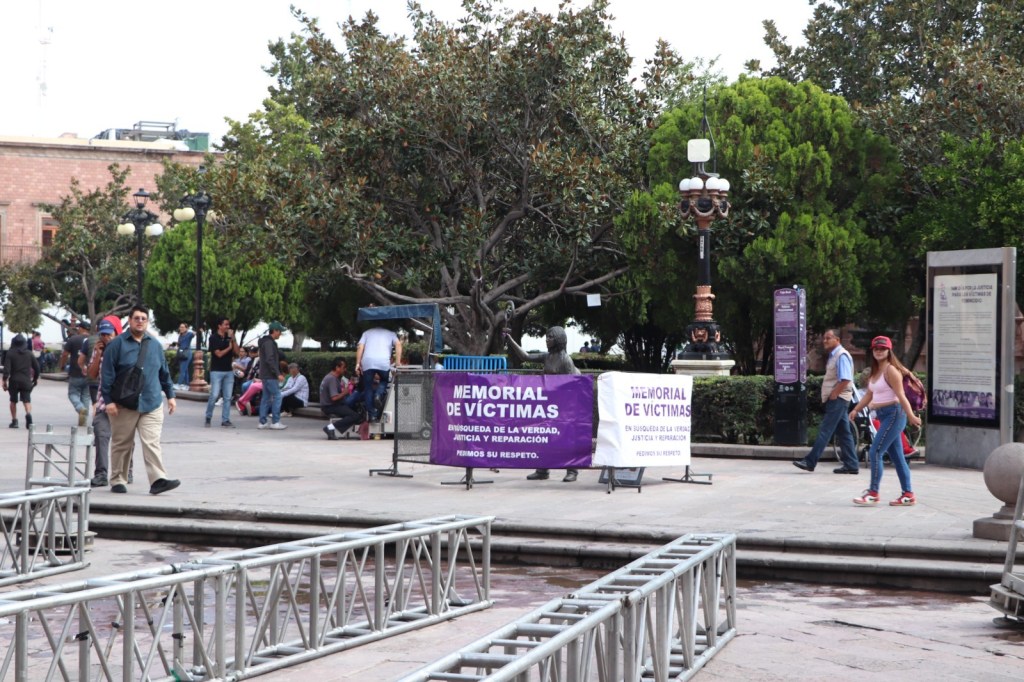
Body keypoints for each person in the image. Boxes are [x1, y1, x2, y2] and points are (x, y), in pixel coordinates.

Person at [100, 305, 180, 495]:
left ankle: (158, 480)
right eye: (136, 318)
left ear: (148, 321)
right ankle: (118, 479)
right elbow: (107, 374)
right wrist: (108, 400)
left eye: (144, 318)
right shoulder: (117, 344)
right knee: (122, 443)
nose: (140, 321)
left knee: (152, 442)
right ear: (129, 320)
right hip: (124, 403)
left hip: (151, 402)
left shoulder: (154, 344)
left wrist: (171, 396)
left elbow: (164, 372)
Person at [849, 336, 922, 507]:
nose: (879, 351)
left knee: (875, 451)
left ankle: (873, 493)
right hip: (884, 416)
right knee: (897, 457)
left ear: (889, 351)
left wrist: (911, 416)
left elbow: (900, 397)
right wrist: (856, 409)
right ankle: (908, 494)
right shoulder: (875, 371)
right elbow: (869, 394)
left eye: (882, 349)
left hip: (894, 415)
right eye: (876, 349)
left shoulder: (891, 371)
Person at [505, 325, 581, 483]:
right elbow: (525, 356)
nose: (547, 339)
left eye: (551, 337)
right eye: (547, 336)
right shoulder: (547, 357)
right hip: (550, 403)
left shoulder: (566, 361)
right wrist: (510, 340)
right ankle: (543, 469)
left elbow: (569, 387)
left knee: (567, 437)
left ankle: (572, 470)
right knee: (545, 436)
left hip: (566, 405)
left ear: (559, 340)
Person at [793, 329, 859, 475]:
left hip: (839, 398)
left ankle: (810, 461)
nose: (825, 341)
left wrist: (835, 394)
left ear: (837, 340)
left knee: (825, 430)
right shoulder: (834, 355)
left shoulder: (841, 355)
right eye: (824, 338)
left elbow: (846, 378)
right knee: (844, 432)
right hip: (839, 398)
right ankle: (852, 464)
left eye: (828, 338)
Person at [85, 317, 133, 487]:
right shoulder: (99, 349)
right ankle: (101, 473)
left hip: (124, 404)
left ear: (117, 332)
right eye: (103, 334)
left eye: (109, 334)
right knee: (101, 435)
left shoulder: (126, 348)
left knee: (124, 438)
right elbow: (91, 375)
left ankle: (126, 470)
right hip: (104, 403)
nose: (106, 338)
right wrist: (98, 354)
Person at [355, 323, 402, 422]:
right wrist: (397, 362)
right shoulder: (391, 333)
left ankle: (372, 415)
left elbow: (360, 347)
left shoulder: (366, 333)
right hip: (383, 362)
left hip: (367, 362)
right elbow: (398, 344)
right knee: (384, 380)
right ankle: (378, 394)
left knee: (368, 388)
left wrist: (358, 364)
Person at [205, 316, 239, 428]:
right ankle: (208, 416)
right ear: (219, 326)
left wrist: (233, 339)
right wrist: (228, 348)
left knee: (228, 397)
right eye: (225, 324)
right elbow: (218, 354)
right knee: (214, 395)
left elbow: (237, 352)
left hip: (228, 371)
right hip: (216, 371)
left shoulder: (230, 338)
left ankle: (225, 419)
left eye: (228, 325)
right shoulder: (213, 338)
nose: (228, 327)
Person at [320, 358, 366, 440]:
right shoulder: (332, 379)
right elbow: (334, 398)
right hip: (331, 406)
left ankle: (331, 430)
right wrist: (345, 392)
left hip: (329, 405)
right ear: (337, 367)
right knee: (355, 416)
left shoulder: (329, 377)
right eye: (343, 367)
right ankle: (330, 428)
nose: (345, 370)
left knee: (354, 412)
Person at [2, 333, 40, 429]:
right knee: (26, 400)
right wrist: (35, 379)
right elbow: (37, 368)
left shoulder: (10, 353)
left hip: (14, 380)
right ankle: (28, 414)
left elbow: (7, 370)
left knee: (13, 401)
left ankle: (14, 421)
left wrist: (4, 381)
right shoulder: (29, 354)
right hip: (26, 380)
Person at [60, 319, 91, 425]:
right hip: (89, 373)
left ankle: (80, 408)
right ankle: (83, 420)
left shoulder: (73, 339)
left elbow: (65, 354)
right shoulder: (92, 340)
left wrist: (62, 365)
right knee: (86, 396)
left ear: (81, 328)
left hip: (75, 372)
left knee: (72, 393)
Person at [257, 321, 288, 430]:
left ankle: (262, 422)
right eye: (280, 331)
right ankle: (275, 421)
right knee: (277, 396)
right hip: (270, 375)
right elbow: (270, 359)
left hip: (265, 374)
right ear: (275, 331)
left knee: (266, 398)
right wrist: (278, 373)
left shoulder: (264, 342)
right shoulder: (269, 343)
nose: (280, 334)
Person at [175, 322, 195, 389]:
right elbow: (179, 344)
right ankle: (187, 385)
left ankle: (179, 384)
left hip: (187, 353)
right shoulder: (180, 335)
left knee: (182, 369)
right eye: (180, 327)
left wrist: (198, 330)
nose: (181, 328)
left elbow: (194, 334)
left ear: (186, 328)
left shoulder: (189, 334)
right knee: (185, 370)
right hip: (181, 354)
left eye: (183, 327)